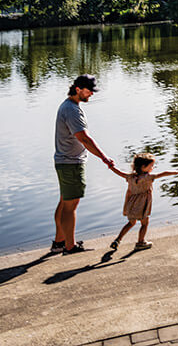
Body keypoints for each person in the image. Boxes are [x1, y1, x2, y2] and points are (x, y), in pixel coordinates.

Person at [52, 74, 114, 254]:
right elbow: (84, 138)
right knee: (70, 206)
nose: (91, 95)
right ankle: (69, 247)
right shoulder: (71, 110)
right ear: (77, 89)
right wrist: (104, 157)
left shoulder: (69, 106)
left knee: (65, 202)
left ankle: (59, 242)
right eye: (88, 91)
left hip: (65, 161)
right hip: (71, 163)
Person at [107, 153, 178, 251]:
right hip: (142, 205)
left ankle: (117, 240)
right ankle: (140, 242)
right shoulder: (148, 177)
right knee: (144, 223)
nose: (152, 168)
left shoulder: (130, 177)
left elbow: (119, 172)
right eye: (151, 166)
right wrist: (176, 172)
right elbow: (163, 173)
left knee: (131, 223)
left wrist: (111, 166)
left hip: (131, 204)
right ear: (143, 167)